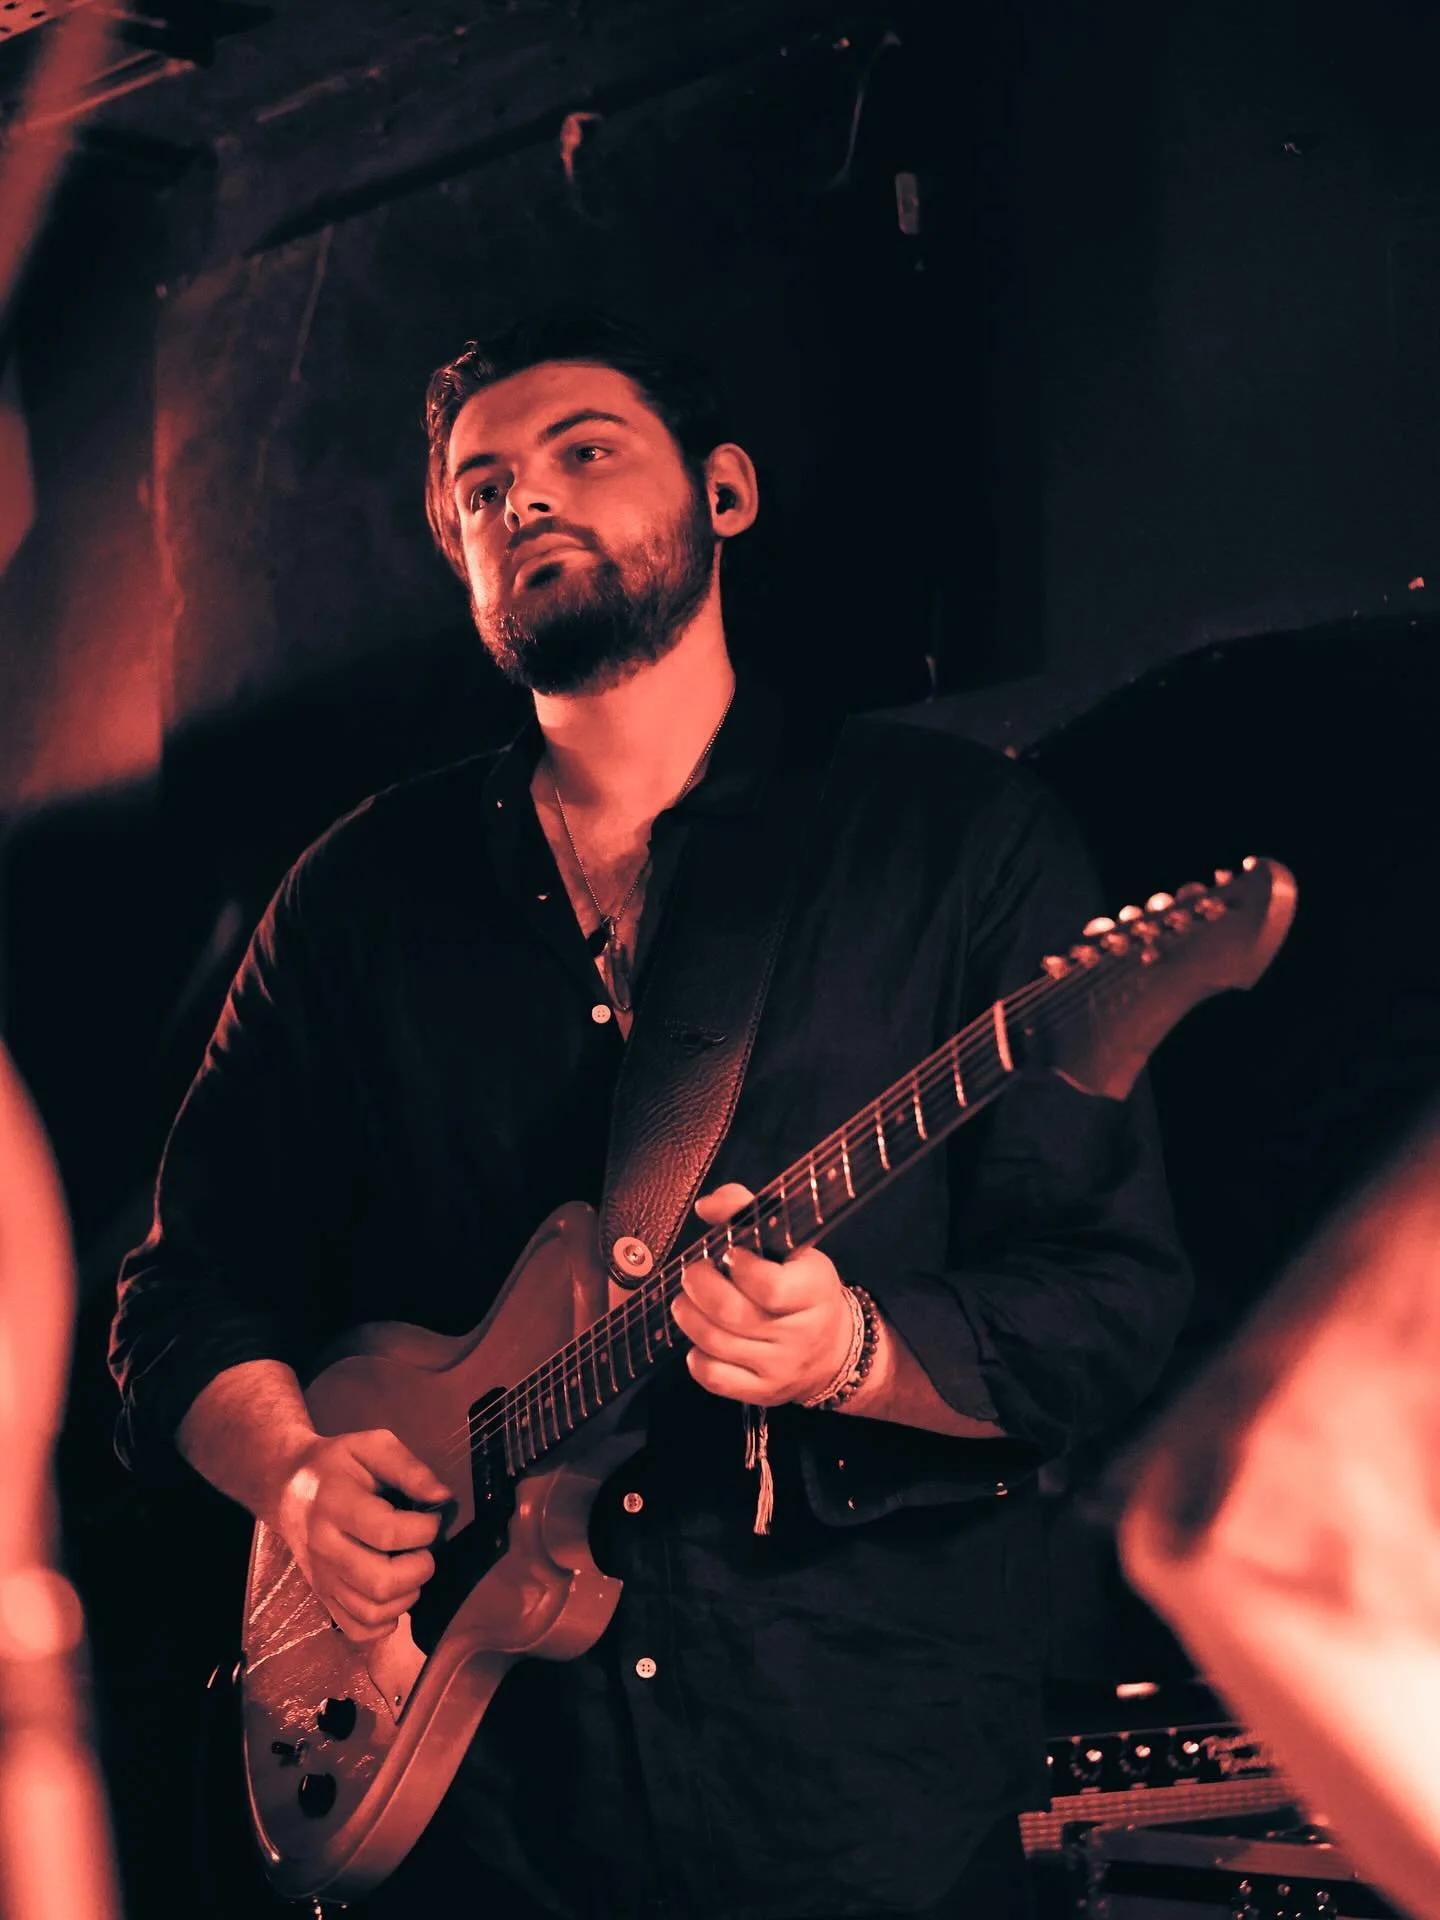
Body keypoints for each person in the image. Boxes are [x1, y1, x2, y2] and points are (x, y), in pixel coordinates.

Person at [110, 307, 1191, 1919]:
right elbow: (179, 1301)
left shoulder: (955, 841)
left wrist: (856, 1352)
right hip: (488, 1823)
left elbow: (1111, 1303)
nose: (525, 500)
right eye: (480, 491)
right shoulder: (355, 900)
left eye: (584, 450)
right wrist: (298, 1479)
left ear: (725, 492)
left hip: (849, 1803)